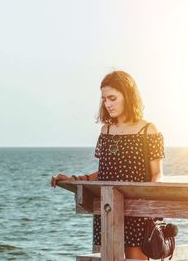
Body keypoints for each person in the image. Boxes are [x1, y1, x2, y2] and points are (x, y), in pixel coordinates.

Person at [50, 70, 164, 260]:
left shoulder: (148, 130)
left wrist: (150, 208)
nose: (107, 104)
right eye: (104, 99)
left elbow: (157, 175)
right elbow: (104, 173)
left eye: (112, 98)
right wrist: (74, 179)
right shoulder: (106, 130)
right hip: (108, 208)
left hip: (137, 211)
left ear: (128, 95)